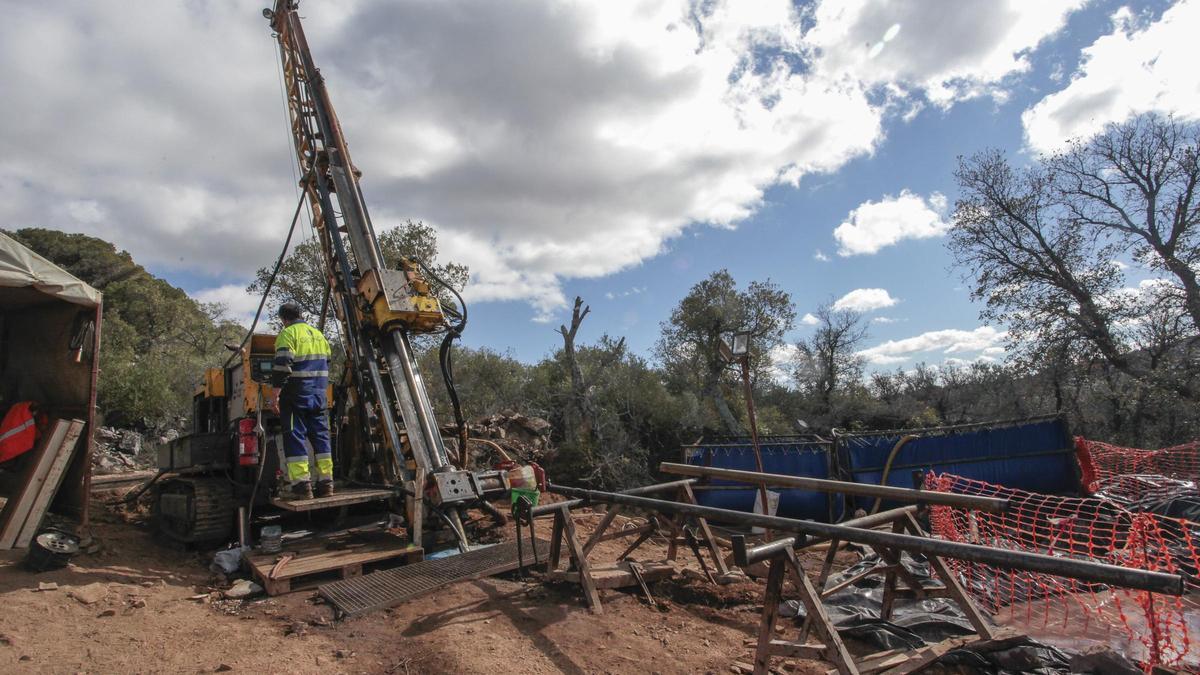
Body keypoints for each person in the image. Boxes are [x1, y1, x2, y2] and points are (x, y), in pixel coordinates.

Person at [268, 302, 333, 499]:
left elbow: (282, 367)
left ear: (283, 319)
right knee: (321, 437)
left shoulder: (288, 334)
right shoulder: (318, 335)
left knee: (296, 437)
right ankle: (326, 484)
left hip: (295, 395)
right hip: (319, 395)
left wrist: (274, 395)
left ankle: (302, 486)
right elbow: (327, 361)